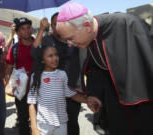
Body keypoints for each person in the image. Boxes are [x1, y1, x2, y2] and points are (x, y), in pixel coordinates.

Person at [56, 2, 153, 135]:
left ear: (87, 26)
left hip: (141, 101)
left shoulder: (126, 24)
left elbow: (146, 65)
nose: (70, 44)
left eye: (71, 38)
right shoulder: (86, 39)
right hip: (114, 102)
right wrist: (95, 94)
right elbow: (95, 69)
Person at [27, 44, 86, 135]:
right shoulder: (36, 76)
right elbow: (31, 103)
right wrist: (34, 128)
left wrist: (88, 101)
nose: (55, 58)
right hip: (43, 125)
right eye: (50, 56)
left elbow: (71, 94)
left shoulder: (63, 74)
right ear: (42, 60)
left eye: (56, 55)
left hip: (61, 123)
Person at [5, 17, 49, 135]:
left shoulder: (40, 45)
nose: (26, 31)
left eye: (28, 27)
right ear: (18, 32)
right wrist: (8, 85)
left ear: (32, 29)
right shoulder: (14, 49)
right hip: (21, 91)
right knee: (23, 121)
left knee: (41, 121)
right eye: (22, 29)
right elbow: (8, 68)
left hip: (40, 89)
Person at [41, 12, 82, 135]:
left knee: (73, 122)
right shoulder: (46, 40)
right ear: (51, 26)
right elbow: (35, 53)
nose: (57, 26)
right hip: (54, 90)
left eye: (60, 23)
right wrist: (42, 29)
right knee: (56, 124)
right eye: (54, 24)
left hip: (73, 88)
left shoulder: (76, 37)